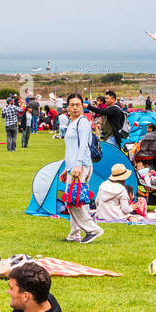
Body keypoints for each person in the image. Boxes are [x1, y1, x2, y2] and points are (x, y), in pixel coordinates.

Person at [61, 94, 102, 244]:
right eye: (72, 105)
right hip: (74, 167)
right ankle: (74, 234)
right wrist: (67, 168)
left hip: (82, 166)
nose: (75, 107)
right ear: (67, 107)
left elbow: (84, 145)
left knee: (72, 201)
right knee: (77, 200)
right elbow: (71, 148)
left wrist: (78, 165)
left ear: (82, 106)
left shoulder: (83, 122)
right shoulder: (72, 122)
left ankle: (93, 229)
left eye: (78, 104)